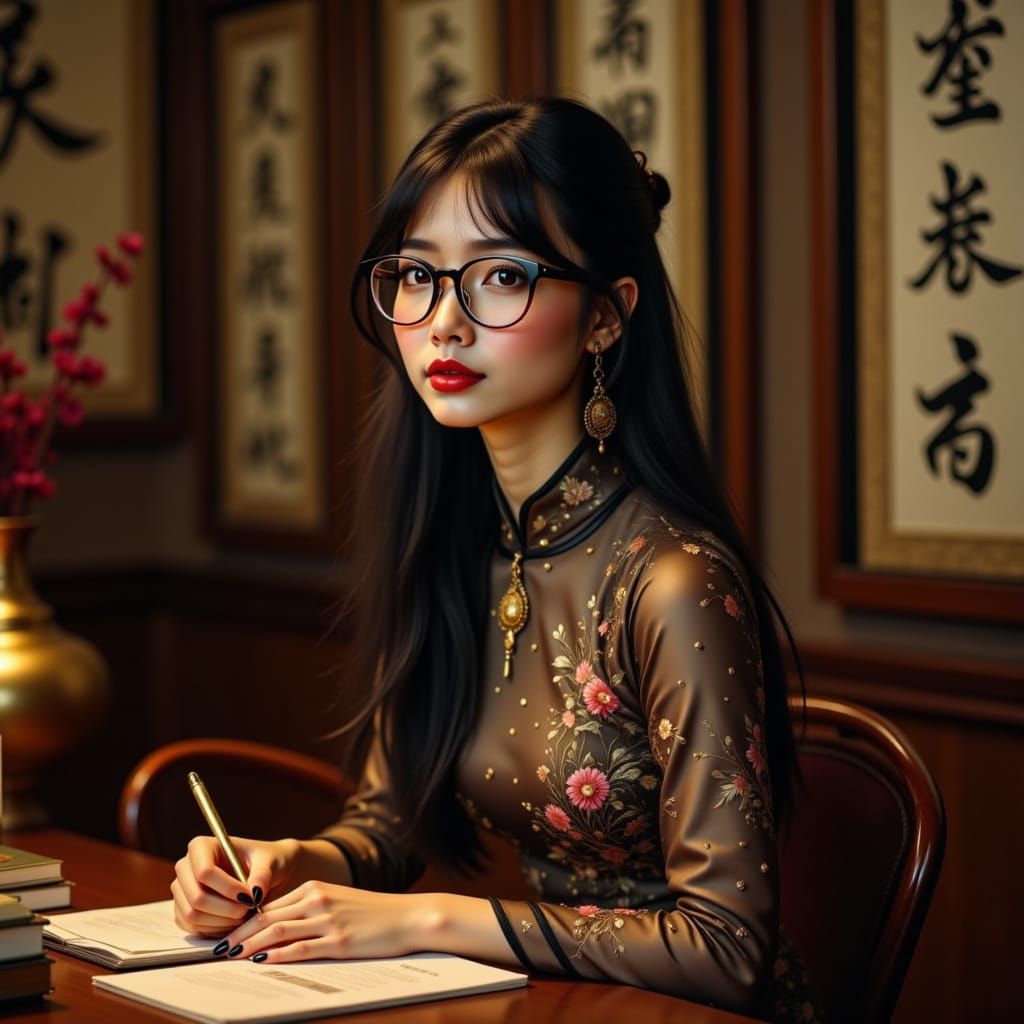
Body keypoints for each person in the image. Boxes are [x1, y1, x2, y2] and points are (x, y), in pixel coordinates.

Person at [172, 98, 820, 1022]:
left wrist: (430, 920)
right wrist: (286, 864)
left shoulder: (673, 580)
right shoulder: (457, 539)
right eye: (416, 276)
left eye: (502, 275)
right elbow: (388, 822)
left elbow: (728, 947)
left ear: (605, 317)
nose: (443, 321)